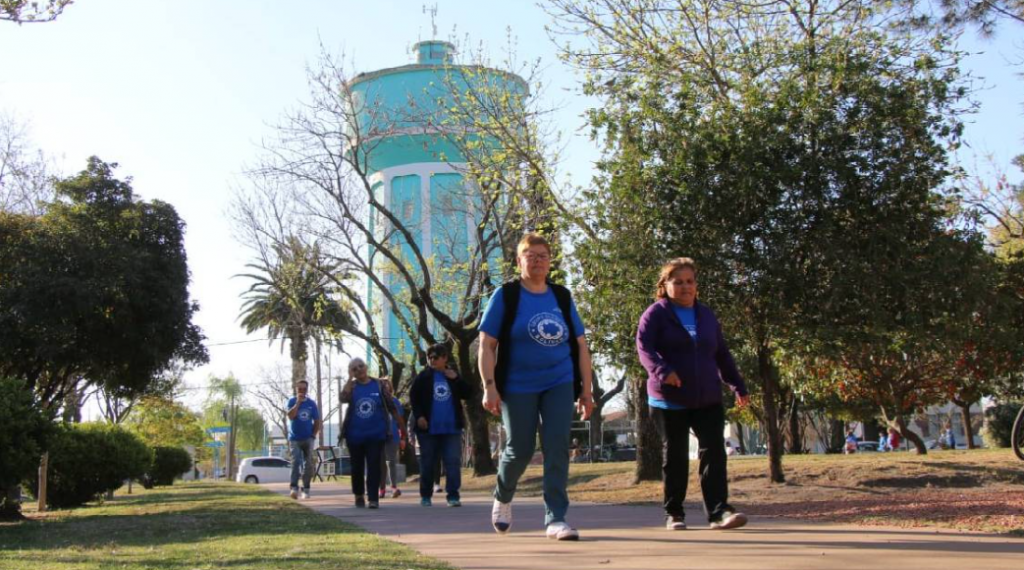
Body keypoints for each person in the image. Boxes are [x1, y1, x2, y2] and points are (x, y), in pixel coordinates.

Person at [478, 232, 595, 541]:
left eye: (544, 255)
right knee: (520, 449)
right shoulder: (507, 296)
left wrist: (586, 390)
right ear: (520, 261)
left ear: (550, 261)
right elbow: (487, 345)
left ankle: (556, 517)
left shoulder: (561, 296)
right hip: (518, 385)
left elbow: (582, 346)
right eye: (532, 256)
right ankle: (503, 496)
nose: (539, 260)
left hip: (559, 380)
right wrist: (489, 386)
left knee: (557, 446)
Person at [636, 257, 751, 531]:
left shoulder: (706, 315)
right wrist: (664, 371)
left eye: (690, 281)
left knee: (714, 453)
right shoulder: (655, 314)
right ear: (665, 285)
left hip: (707, 396)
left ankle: (719, 512)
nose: (686, 287)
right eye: (678, 282)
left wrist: (737, 385)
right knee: (675, 456)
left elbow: (721, 354)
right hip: (669, 398)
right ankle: (674, 513)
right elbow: (644, 348)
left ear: (696, 285)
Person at [410, 343, 470, 507]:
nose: (432, 360)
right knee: (428, 462)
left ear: (445, 358)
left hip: (451, 428)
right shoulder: (423, 377)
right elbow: (413, 398)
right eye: (429, 358)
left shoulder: (452, 376)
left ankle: (453, 495)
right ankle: (426, 495)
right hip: (428, 429)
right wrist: (419, 416)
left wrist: (456, 378)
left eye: (436, 357)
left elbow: (469, 393)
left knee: (452, 461)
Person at [340, 357, 397, 509]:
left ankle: (373, 498)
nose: (359, 370)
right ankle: (359, 495)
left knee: (374, 466)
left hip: (376, 434)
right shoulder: (351, 386)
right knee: (357, 467)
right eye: (354, 369)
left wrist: (399, 427)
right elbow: (342, 398)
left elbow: (390, 405)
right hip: (355, 436)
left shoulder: (378, 384)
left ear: (366, 366)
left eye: (361, 366)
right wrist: (348, 379)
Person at [286, 379, 322, 500]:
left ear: (307, 390)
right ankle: (294, 488)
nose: (302, 391)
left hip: (308, 438)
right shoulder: (291, 401)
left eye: (304, 389)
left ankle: (306, 489)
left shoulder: (312, 404)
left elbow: (317, 421)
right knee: (295, 462)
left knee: (308, 464)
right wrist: (298, 403)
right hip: (295, 438)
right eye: (299, 389)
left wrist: (313, 435)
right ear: (296, 390)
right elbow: (291, 416)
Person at [378, 380, 407, 500]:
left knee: (391, 462)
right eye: (382, 385)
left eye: (387, 384)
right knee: (380, 463)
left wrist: (403, 438)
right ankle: (381, 488)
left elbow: (400, 421)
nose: (385, 386)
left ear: (390, 387)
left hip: (393, 436)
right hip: (379, 436)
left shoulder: (395, 402)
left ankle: (394, 487)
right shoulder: (376, 401)